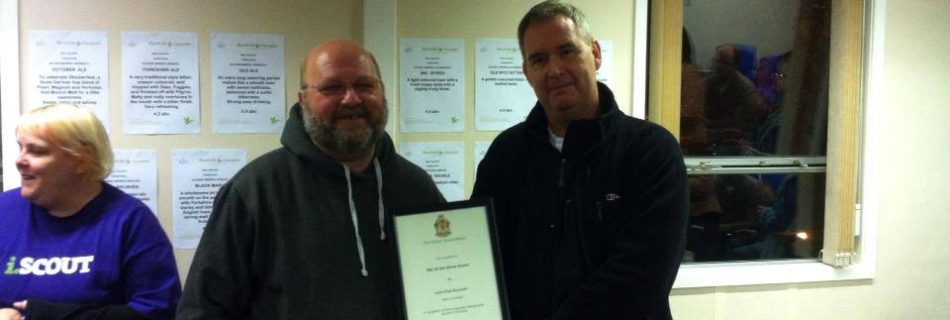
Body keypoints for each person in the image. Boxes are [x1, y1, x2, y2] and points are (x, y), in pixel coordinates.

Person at [176, 39, 445, 319]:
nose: (351, 98)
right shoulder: (253, 192)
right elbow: (201, 310)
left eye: (365, 86)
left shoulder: (416, 186)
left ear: (383, 92)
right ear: (303, 100)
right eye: (332, 87)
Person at [471, 1, 689, 319]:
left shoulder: (651, 152)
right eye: (539, 59)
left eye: (567, 51)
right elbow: (483, 257)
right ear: (527, 73)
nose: (555, 69)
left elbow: (642, 276)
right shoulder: (505, 155)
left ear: (595, 54)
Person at [0, 104, 180, 320]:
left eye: (37, 151)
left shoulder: (130, 220)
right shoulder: (5, 211)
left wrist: (45, 316)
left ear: (81, 160)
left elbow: (158, 312)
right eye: (20, 147)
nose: (19, 160)